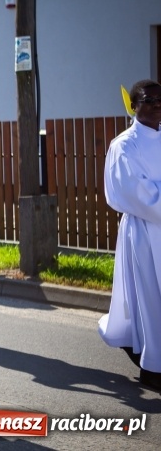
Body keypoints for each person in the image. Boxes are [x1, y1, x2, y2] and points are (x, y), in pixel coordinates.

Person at [98, 79, 161, 393]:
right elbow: (135, 192)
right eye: (150, 100)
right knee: (151, 299)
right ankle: (153, 367)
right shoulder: (124, 145)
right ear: (134, 106)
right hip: (145, 231)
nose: (157, 105)